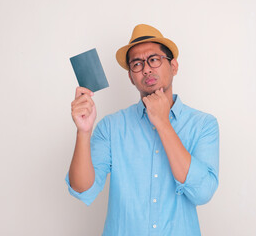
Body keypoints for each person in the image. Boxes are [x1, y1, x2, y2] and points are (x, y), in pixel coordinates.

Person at [66, 24, 219, 236]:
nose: (146, 69)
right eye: (136, 64)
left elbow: (202, 193)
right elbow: (82, 189)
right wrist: (83, 132)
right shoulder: (111, 127)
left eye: (154, 59)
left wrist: (163, 123)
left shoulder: (203, 124)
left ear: (173, 66)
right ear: (130, 77)